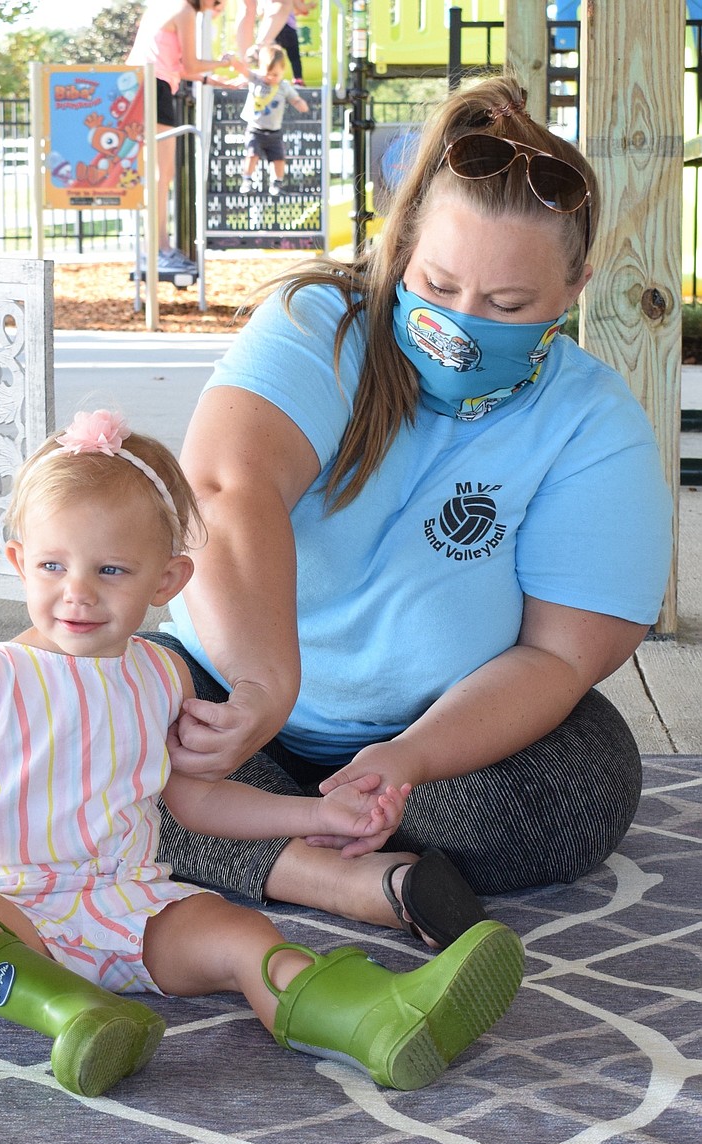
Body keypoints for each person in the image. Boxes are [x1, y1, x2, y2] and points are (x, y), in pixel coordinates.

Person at [142, 74, 673, 935]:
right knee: (81, 725)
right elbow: (226, 488)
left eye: (509, 306)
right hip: (229, 700)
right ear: (402, 247)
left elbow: (563, 657)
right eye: (439, 284)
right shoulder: (321, 322)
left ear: (573, 288)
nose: (465, 320)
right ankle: (333, 876)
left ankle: (286, 842)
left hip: (436, 750)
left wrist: (406, 758)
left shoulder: (595, 421)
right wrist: (260, 688)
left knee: (576, 788)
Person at [0, 409, 524, 1098]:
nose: (78, 592)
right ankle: (73, 1013)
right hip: (7, 913)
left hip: (128, 906)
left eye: (112, 569)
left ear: (168, 581)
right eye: (53, 565)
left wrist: (316, 818)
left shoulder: (161, 676)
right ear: (18, 564)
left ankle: (376, 1021)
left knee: (242, 934)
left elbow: (198, 800)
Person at [127, 0, 235, 273]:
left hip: (141, 82)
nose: (217, 5)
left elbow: (182, 68)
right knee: (161, 174)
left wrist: (212, 80)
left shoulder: (164, 7)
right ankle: (158, 249)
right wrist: (225, 63)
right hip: (154, 85)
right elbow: (191, 63)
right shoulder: (185, 10)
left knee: (159, 173)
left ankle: (156, 248)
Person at [235, 43, 309, 195]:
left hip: (274, 131)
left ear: (283, 71)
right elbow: (243, 70)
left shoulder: (283, 86)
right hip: (256, 129)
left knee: (279, 159)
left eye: (275, 74)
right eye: (267, 74)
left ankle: (277, 183)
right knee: (252, 154)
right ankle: (247, 179)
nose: (271, 78)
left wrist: (300, 104)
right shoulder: (256, 80)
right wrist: (231, 61)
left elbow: (294, 98)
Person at [275, 0, 316, 84]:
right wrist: (310, 5)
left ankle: (272, 76)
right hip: (288, 28)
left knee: (274, 55)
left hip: (274, 28)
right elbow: (302, 8)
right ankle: (298, 79)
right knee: (294, 57)